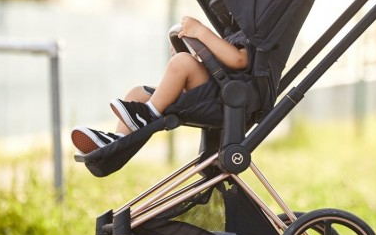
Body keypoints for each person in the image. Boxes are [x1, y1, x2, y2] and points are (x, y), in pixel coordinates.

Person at [71, 15, 250, 154]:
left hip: (226, 98)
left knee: (182, 62)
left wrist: (200, 31)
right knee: (136, 94)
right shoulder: (235, 33)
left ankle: (147, 114)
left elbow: (239, 60)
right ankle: (116, 142)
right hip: (213, 90)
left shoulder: (256, 38)